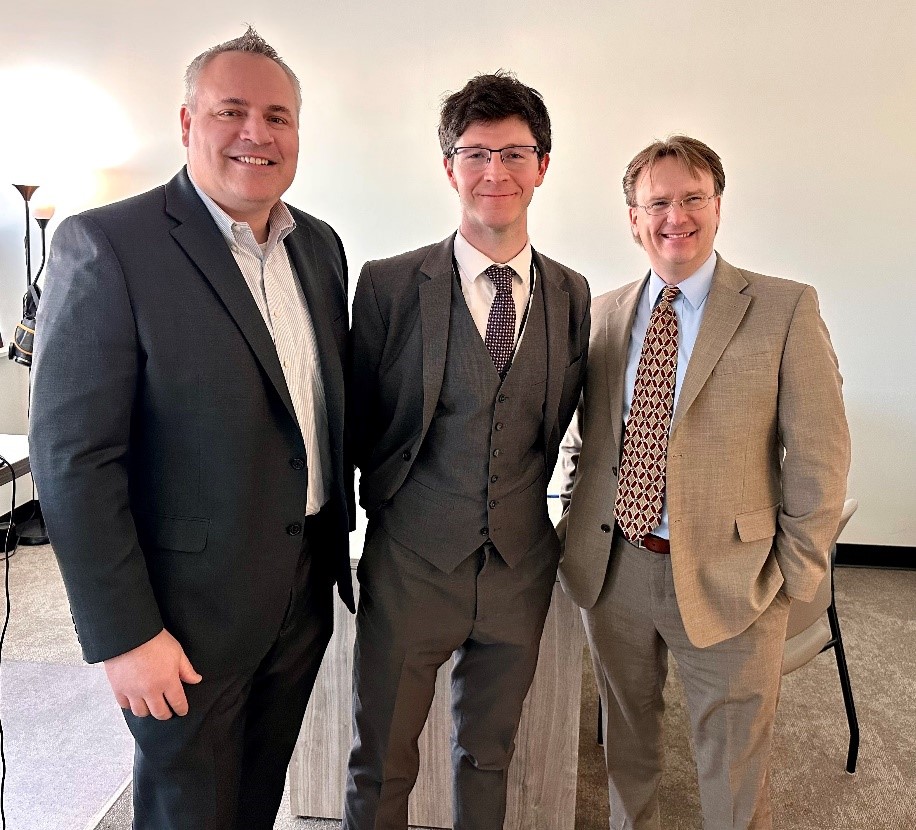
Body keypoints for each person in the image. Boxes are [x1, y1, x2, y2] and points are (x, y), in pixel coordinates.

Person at [29, 27, 354, 829]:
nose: (257, 133)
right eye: (231, 111)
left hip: (301, 592)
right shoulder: (108, 244)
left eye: (278, 116)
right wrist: (125, 635)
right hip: (180, 615)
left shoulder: (319, 247)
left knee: (253, 801)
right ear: (186, 123)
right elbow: (73, 458)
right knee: (186, 810)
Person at [558, 135, 850, 830]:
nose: (675, 217)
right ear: (633, 218)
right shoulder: (601, 314)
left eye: (692, 198)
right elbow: (590, 444)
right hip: (615, 572)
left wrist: (792, 576)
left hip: (734, 578)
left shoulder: (783, 308)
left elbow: (820, 455)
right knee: (625, 745)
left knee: (733, 763)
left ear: (717, 207)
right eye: (657, 202)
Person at [343, 72, 590, 830]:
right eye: (476, 152)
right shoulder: (387, 286)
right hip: (412, 561)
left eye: (516, 152)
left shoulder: (573, 294)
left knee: (490, 754)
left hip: (519, 566)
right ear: (449, 165)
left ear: (543, 166)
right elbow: (355, 424)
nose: (496, 171)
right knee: (381, 759)